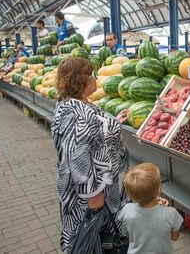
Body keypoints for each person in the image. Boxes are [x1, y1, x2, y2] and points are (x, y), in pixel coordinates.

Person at [51, 57, 129, 253]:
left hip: (104, 192)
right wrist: (93, 196)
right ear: (80, 80)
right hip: (93, 198)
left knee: (106, 242)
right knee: (97, 242)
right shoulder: (73, 113)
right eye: (92, 74)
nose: (96, 78)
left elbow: (94, 131)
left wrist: (112, 123)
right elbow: (76, 157)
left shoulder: (80, 104)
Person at [118, 162, 183, 254]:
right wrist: (164, 209)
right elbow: (174, 237)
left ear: (130, 195)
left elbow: (124, 232)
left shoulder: (127, 209)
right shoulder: (171, 213)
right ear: (159, 191)